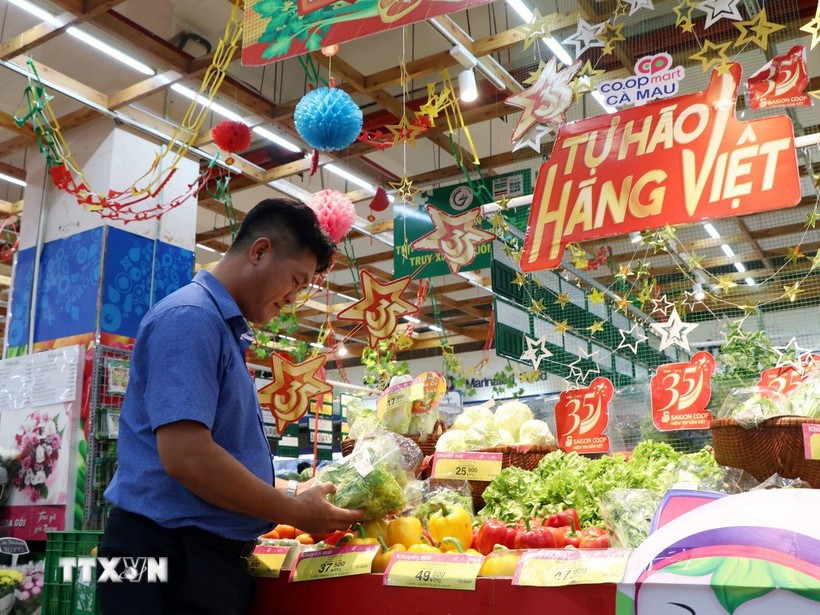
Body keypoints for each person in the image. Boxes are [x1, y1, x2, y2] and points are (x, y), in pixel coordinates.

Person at [98, 198, 363, 614]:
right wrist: (293, 509)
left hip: (178, 550)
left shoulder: (220, 328)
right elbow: (187, 457)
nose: (294, 298)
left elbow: (216, 453)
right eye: (295, 280)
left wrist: (292, 490)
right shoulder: (191, 317)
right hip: (160, 551)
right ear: (259, 251)